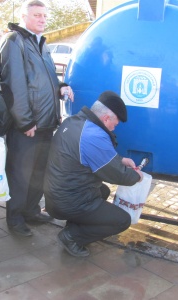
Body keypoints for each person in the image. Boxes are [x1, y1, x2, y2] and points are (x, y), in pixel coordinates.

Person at [0, 0, 74, 237]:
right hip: (28, 125)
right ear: (24, 16)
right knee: (20, 174)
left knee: (39, 171)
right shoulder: (14, 42)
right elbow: (14, 85)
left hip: (46, 122)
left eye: (44, 15)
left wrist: (61, 86)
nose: (42, 19)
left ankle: (31, 210)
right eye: (37, 15)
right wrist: (25, 122)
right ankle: (15, 218)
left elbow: (47, 77)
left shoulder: (40, 43)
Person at [43, 91, 143, 257]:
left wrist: (121, 159)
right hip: (68, 200)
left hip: (55, 194)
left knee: (103, 191)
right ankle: (72, 237)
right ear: (105, 119)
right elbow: (118, 175)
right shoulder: (93, 135)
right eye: (115, 124)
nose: (113, 128)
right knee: (122, 220)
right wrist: (137, 177)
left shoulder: (74, 122)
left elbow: (97, 155)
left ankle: (74, 225)